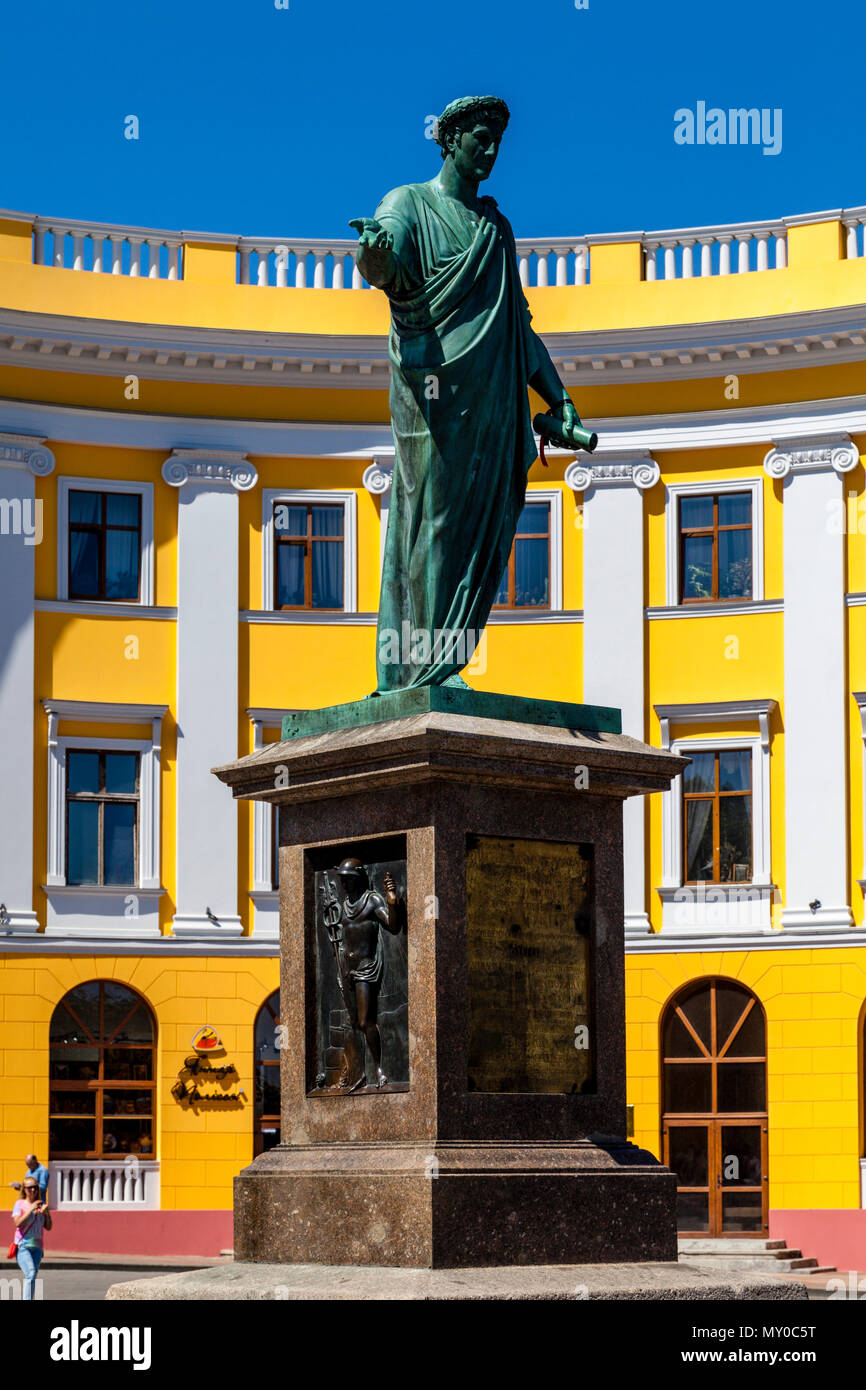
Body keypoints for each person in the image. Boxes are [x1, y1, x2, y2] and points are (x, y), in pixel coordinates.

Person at [351, 94, 593, 691]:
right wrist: (376, 256)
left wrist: (557, 400)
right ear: (449, 140)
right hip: (432, 392)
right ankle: (422, 666)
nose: (490, 151)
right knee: (432, 519)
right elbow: (387, 258)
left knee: (473, 532)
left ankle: (445, 663)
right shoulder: (408, 201)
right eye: (480, 139)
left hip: (491, 400)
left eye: (497, 142)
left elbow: (518, 327)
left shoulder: (495, 229)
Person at [11, 1178, 51, 1300]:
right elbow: (18, 1223)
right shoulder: (19, 1204)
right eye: (29, 1188)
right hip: (23, 1246)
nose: (32, 1190)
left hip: (37, 1248)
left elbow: (48, 1227)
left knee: (32, 1276)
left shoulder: (41, 1205)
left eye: (35, 1187)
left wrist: (47, 1213)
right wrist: (30, 1209)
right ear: (24, 1189)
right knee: (31, 1274)